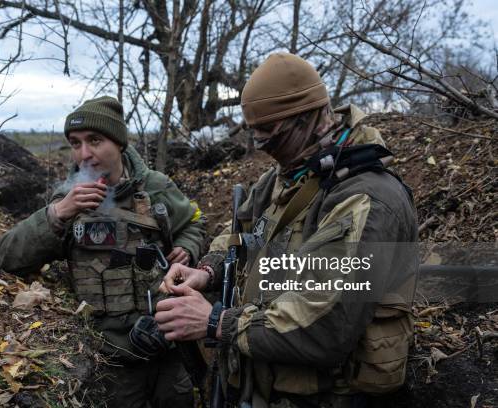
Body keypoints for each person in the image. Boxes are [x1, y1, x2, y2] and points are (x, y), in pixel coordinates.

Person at [155, 53, 418, 408]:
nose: (265, 151)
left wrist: (217, 321)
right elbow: (241, 231)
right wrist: (206, 270)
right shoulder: (291, 174)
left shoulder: (367, 200)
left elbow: (326, 326)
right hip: (263, 387)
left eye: (271, 137)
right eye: (256, 137)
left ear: (309, 117)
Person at [0, 96, 205, 408]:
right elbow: (5, 259)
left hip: (170, 347)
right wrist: (59, 213)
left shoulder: (156, 187)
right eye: (75, 144)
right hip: (111, 360)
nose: (85, 154)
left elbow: (194, 224)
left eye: (95, 141)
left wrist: (187, 248)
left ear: (118, 143)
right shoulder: (68, 198)